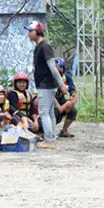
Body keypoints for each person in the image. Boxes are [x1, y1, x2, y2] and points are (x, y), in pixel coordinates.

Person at [25, 21, 68, 149]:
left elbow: (53, 67)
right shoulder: (39, 46)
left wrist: (61, 85)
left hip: (47, 84)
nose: (28, 33)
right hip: (45, 83)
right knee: (48, 112)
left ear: (38, 32)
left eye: (30, 30)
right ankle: (52, 138)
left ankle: (49, 140)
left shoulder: (45, 46)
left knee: (44, 112)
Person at [54, 58, 78, 138]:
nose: (59, 70)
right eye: (57, 68)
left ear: (64, 69)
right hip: (52, 100)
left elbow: (72, 88)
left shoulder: (67, 77)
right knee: (55, 113)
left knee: (73, 111)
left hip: (61, 98)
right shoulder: (50, 78)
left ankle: (64, 130)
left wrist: (72, 96)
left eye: (61, 68)